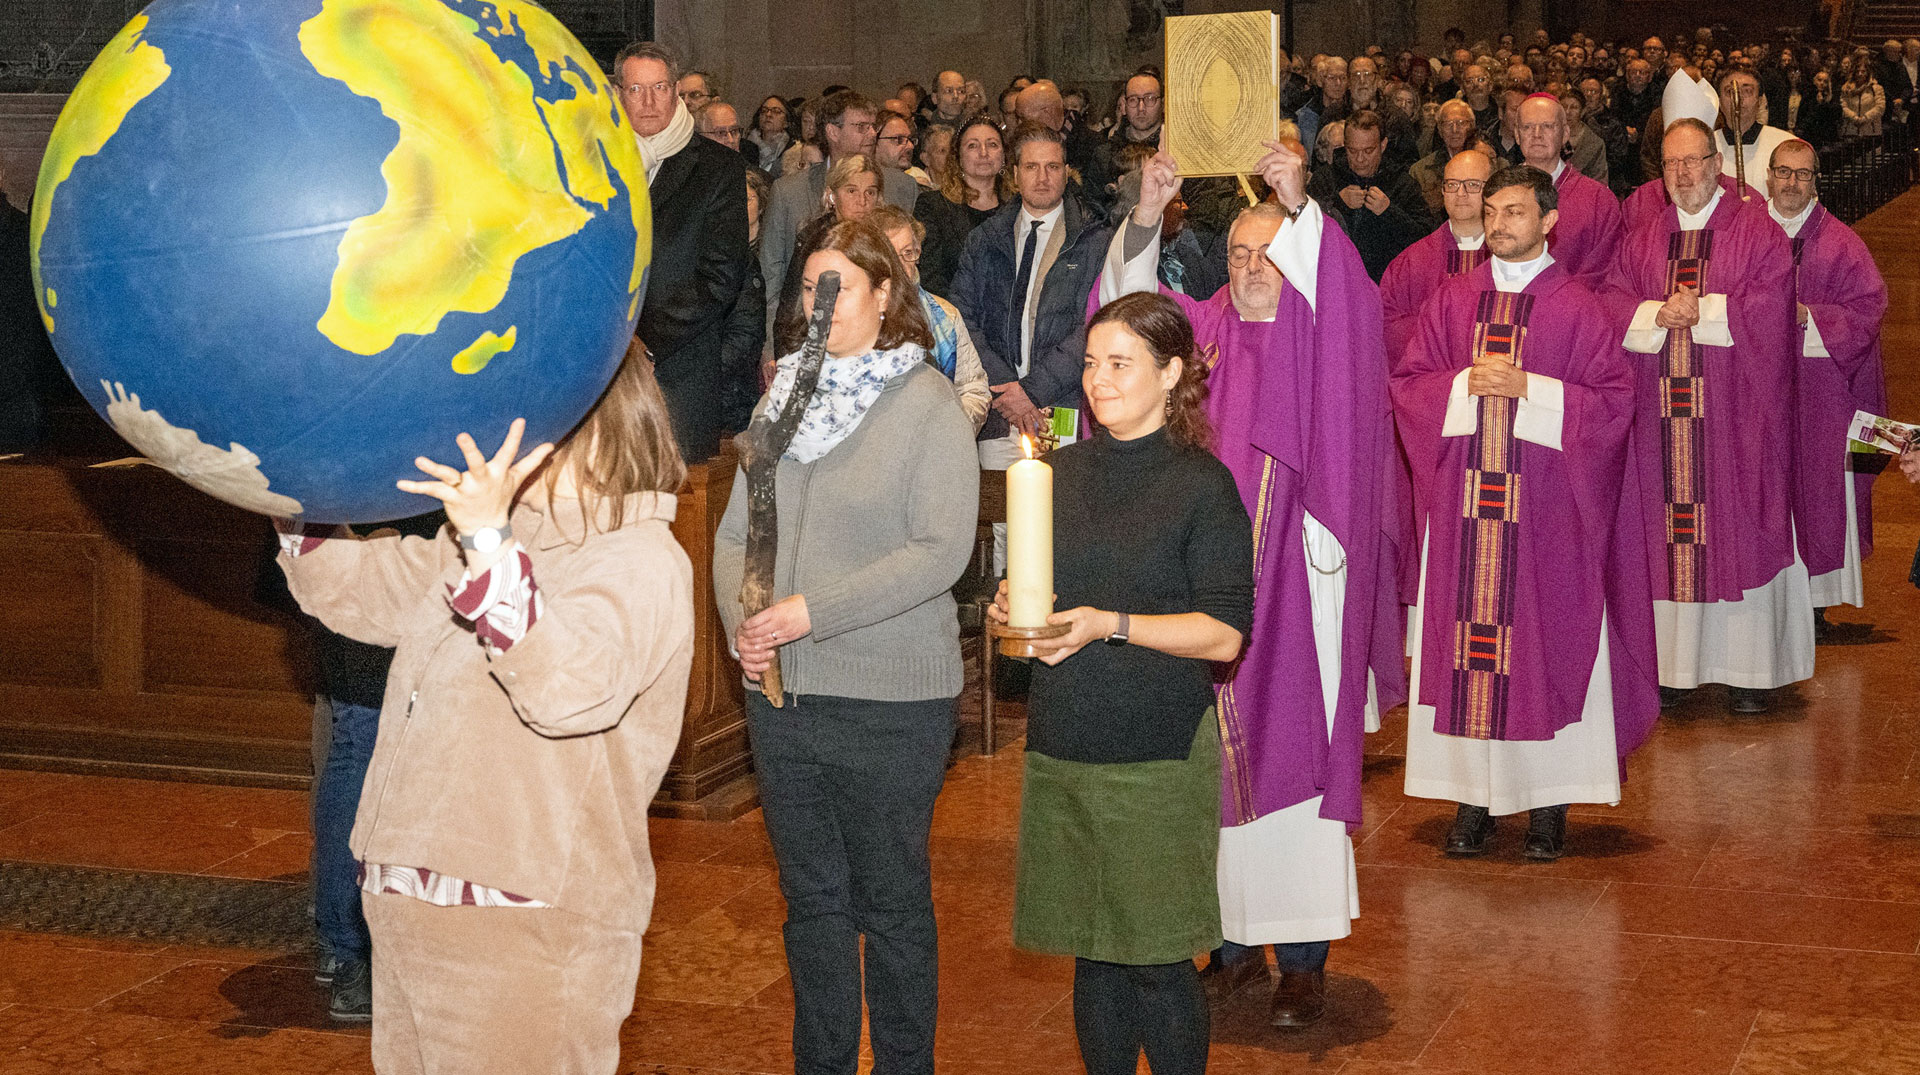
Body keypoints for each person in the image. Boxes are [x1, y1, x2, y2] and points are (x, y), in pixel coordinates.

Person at [277, 347, 694, 1074]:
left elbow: (568, 688)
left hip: (525, 921)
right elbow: (355, 587)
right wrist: (287, 483)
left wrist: (490, 543)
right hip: (409, 900)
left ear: (594, 423)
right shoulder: (485, 543)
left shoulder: (639, 558)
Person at [1101, 137, 1399, 1027]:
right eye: (1236, 252)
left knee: (1293, 758)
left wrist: (1301, 202)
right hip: (1196, 593)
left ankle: (1302, 960)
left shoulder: (1319, 329)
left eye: (1269, 251)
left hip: (1297, 589)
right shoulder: (1201, 337)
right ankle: (1228, 945)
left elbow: (1351, 308)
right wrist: (1146, 214)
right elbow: (1126, 328)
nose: (1250, 267)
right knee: (1207, 768)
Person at [714, 220, 978, 1075]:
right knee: (813, 905)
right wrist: (745, 621)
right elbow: (733, 533)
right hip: (785, 697)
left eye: (839, 288)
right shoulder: (781, 398)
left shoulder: (926, 402)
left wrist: (809, 611)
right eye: (809, 289)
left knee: (891, 905)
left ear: (885, 294)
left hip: (891, 698)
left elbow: (940, 550)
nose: (819, 305)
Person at [991, 291, 1253, 1075]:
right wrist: (1011, 610)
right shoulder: (1056, 474)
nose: (1098, 380)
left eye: (1119, 364)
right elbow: (1036, 599)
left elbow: (1224, 633)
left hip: (1157, 746)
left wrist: (1111, 623)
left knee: (1157, 958)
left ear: (1171, 373)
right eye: (1091, 364)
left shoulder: (1202, 485)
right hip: (1067, 736)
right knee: (1094, 951)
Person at [1397, 164, 1660, 860]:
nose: (1498, 224)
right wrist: (1462, 383)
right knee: (1468, 655)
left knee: (1544, 647)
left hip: (1548, 516)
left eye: (1514, 211)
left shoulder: (1578, 307)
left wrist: (1530, 389)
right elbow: (1411, 385)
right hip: (1466, 516)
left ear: (1548, 221)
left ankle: (1549, 802)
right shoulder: (1454, 300)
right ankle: (1472, 798)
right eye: (1491, 212)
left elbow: (1613, 405)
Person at [1612, 118, 1805, 715]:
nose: (1682, 173)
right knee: (1667, 535)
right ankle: (1675, 670)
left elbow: (1775, 305)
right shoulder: (1644, 236)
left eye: (1693, 160)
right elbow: (1611, 300)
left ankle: (1751, 671)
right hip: (1660, 424)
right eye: (1671, 163)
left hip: (1735, 418)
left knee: (1739, 524)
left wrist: (1706, 309)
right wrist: (1654, 313)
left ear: (1717, 163)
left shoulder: (1755, 229)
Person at [1766, 139, 1888, 626]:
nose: (1792, 183)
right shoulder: (1747, 235)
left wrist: (1807, 317)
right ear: (1769, 176)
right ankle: (1765, 602)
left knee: (1820, 493)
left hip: (1822, 395)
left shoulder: (1841, 242)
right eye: (1784, 172)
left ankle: (1815, 605)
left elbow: (1870, 307)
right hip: (1759, 393)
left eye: (1803, 174)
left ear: (1816, 181)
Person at [616, 41, 750, 462]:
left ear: (676, 92)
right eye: (636, 89)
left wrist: (643, 343)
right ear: (618, 94)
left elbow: (722, 276)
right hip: (602, 371)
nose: (649, 101)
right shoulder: (594, 163)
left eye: (659, 87)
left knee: (681, 496)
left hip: (680, 368)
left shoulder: (718, 168)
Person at [950, 123, 1113, 469]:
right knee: (1000, 503)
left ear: (1066, 173)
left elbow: (1094, 324)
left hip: (1064, 404)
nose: (1042, 177)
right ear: (1014, 174)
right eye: (1031, 167)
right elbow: (962, 318)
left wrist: (1033, 390)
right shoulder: (984, 240)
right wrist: (1005, 388)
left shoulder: (1095, 242)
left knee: (1063, 502)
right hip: (999, 410)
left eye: (1052, 167)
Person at [762, 91, 919, 337]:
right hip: (803, 333)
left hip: (885, 333)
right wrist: (772, 343)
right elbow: (771, 275)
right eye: (861, 127)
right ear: (832, 132)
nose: (871, 134)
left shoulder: (903, 187)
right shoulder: (788, 192)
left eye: (873, 127)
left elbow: (912, 268)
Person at [871, 204, 992, 430]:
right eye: (890, 255)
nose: (901, 266)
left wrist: (947, 430)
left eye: (908, 253)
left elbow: (973, 389)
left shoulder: (944, 315)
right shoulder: (850, 317)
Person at [774, 154, 885, 354]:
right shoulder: (815, 241)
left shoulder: (886, 241)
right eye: (851, 191)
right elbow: (792, 312)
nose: (862, 201)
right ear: (832, 196)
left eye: (870, 192)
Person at [1307, 109, 1432, 281]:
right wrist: (1338, 205)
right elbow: (1305, 232)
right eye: (1352, 150)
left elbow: (1425, 239)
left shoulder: (1402, 183)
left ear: (1383, 145)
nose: (1360, 159)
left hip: (1387, 283)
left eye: (1368, 151)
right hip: (1335, 279)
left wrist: (1389, 212)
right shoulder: (1326, 178)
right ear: (1344, 145)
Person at [1515, 94, 1622, 284]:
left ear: (1565, 134)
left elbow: (1606, 270)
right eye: (1528, 127)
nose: (1537, 134)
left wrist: (1561, 296)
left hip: (1574, 301)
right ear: (1517, 135)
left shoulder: (1598, 199)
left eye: (1548, 126)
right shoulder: (1499, 193)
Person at [914, 116, 1013, 299]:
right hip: (952, 310)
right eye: (972, 146)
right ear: (958, 157)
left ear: (1004, 155)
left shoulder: (1018, 207)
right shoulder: (933, 206)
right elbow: (931, 278)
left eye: (992, 145)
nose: (984, 153)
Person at [720, 169, 771, 433]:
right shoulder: (723, 247)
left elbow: (746, 332)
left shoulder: (765, 248)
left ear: (761, 204)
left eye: (748, 199)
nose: (740, 205)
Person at [1717, 70, 1794, 197]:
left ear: (1760, 101)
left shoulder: (1786, 145)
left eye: (1747, 91)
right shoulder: (1706, 146)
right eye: (1730, 92)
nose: (1738, 98)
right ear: (1719, 102)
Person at [1410, 99, 1480, 212]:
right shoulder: (1420, 171)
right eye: (1448, 124)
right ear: (1440, 130)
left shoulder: (1486, 164)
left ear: (1472, 126)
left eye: (1461, 123)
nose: (1455, 130)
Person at [1296, 57, 1351, 153]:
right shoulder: (1304, 116)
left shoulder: (1352, 113)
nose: (1338, 83)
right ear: (1320, 81)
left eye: (1343, 78)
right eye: (1332, 78)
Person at [1840, 54, 1887, 139]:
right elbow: (1843, 106)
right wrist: (1854, 117)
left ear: (1868, 73)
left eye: (1863, 71)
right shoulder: (1846, 88)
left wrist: (1865, 118)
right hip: (1851, 130)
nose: (1860, 74)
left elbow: (1880, 107)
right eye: (1857, 71)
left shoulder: (1876, 88)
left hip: (1871, 131)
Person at [745, 96, 792, 176]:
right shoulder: (744, 148)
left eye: (776, 111)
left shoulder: (793, 151)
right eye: (764, 111)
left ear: (786, 122)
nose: (768, 114)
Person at [1798, 69, 1844, 148]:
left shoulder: (1832, 97)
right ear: (1814, 81)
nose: (1822, 83)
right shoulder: (1808, 95)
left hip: (1827, 137)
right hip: (1810, 134)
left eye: (1825, 81)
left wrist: (1823, 103)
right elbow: (1804, 115)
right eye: (1819, 80)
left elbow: (1835, 115)